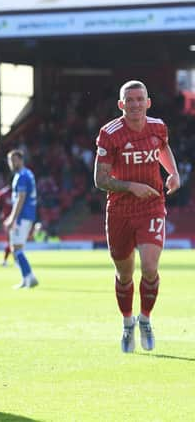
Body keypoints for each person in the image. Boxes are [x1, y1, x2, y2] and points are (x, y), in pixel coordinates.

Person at [93, 80, 180, 353]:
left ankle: (145, 319)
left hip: (152, 205)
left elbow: (162, 148)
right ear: (121, 105)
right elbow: (99, 179)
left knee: (150, 266)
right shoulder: (109, 134)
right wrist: (131, 186)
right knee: (124, 274)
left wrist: (173, 173)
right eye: (129, 100)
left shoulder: (158, 127)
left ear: (148, 102)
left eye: (139, 99)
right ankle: (127, 322)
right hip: (119, 210)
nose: (135, 104)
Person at [3, 149, 38, 289]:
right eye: (10, 160)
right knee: (16, 248)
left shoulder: (22, 176)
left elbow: (21, 198)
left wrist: (12, 218)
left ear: (21, 160)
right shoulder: (27, 174)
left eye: (14, 160)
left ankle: (30, 277)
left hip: (22, 216)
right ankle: (25, 278)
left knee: (17, 249)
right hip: (27, 215)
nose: (11, 163)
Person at [0, 183, 13, 266]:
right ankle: (12, 260)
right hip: (8, 220)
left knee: (12, 241)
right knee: (12, 241)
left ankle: (7, 260)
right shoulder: (3, 193)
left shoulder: (18, 192)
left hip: (15, 220)